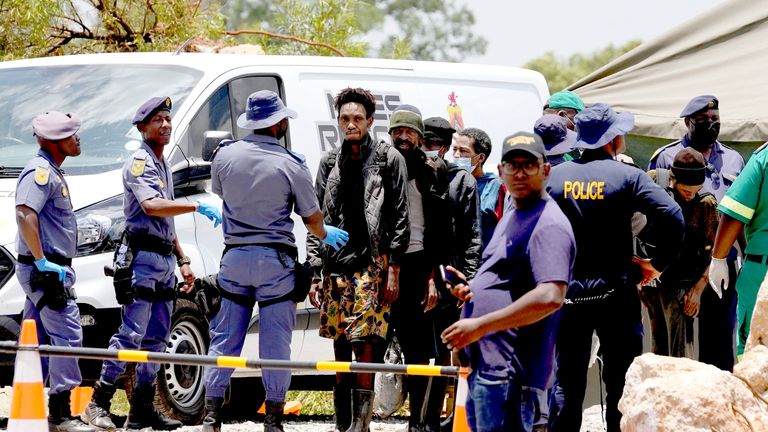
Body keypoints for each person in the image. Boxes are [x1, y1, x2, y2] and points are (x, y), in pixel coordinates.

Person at [200, 90, 348, 432]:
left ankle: (210, 417)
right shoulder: (291, 163)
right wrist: (327, 234)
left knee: (224, 338)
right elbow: (312, 218)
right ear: (278, 122)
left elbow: (221, 193)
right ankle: (273, 420)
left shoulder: (224, 155)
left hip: (234, 260)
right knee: (275, 342)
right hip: (274, 264)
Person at [84, 97, 222, 431]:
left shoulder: (162, 163)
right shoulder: (139, 162)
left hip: (162, 260)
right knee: (131, 334)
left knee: (158, 338)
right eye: (157, 120)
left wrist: (183, 259)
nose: (164, 125)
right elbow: (151, 206)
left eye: (167, 119)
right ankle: (97, 403)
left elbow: (167, 224)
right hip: (141, 260)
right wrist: (193, 208)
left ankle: (141, 408)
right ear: (142, 127)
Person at [548, 103, 684, 432]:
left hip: (567, 294)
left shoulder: (554, 178)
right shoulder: (628, 176)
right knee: (622, 382)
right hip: (617, 292)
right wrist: (655, 264)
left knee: (567, 379)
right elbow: (673, 217)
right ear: (613, 139)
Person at [441, 132, 576, 432]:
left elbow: (551, 296)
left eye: (529, 165)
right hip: (489, 368)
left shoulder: (548, 223)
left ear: (546, 170)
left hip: (515, 379)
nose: (520, 173)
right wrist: (473, 289)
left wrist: (480, 325)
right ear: (500, 171)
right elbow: (510, 280)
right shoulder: (515, 213)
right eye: (512, 165)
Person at [307, 87, 410, 432]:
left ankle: (361, 424)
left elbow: (399, 216)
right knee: (338, 343)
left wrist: (393, 269)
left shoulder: (386, 158)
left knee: (364, 342)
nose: (351, 124)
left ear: (369, 120)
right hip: (335, 265)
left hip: (371, 264)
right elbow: (314, 217)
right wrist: (313, 271)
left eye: (357, 118)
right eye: (345, 119)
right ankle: (342, 420)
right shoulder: (329, 162)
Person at [15, 111, 97, 432]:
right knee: (67, 335)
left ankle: (33, 408)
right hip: (46, 270)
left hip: (50, 267)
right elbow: (24, 214)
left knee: (33, 338)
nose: (77, 139)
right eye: (71, 134)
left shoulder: (52, 171)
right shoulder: (40, 172)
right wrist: (41, 260)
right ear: (54, 142)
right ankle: (61, 414)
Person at [648, 95, 743, 370]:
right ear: (688, 122)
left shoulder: (735, 159)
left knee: (721, 340)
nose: (711, 125)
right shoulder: (665, 158)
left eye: (716, 120)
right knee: (676, 348)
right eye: (703, 121)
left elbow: (744, 214)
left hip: (722, 263)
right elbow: (649, 216)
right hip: (678, 269)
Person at [387, 107, 459, 432]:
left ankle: (417, 423)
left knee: (418, 354)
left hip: (418, 267)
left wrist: (432, 277)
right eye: (397, 131)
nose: (403, 137)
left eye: (410, 132)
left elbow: (439, 229)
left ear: (419, 137)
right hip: (383, 266)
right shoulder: (378, 166)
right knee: (368, 346)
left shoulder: (430, 172)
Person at [421, 116, 481, 431]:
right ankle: (421, 420)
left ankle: (446, 419)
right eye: (423, 143)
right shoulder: (411, 174)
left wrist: (467, 281)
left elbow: (472, 236)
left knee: (451, 352)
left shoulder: (462, 181)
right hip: (418, 277)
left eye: (432, 145)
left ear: (443, 148)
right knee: (421, 353)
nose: (426, 150)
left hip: (450, 279)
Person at [641, 148, 718, 359]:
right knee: (657, 352)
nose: (690, 194)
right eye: (686, 189)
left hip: (683, 286)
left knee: (681, 355)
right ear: (673, 178)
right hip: (653, 280)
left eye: (696, 188)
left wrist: (698, 289)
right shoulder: (655, 184)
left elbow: (714, 251)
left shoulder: (705, 203)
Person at [710, 139, 768, 358]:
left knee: (755, 355)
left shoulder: (764, 157)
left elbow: (735, 212)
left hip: (762, 274)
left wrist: (718, 258)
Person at [452, 127, 500, 249]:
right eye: (455, 150)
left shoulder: (495, 187)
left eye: (463, 151)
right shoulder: (450, 183)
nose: (457, 155)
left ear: (480, 158)